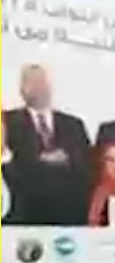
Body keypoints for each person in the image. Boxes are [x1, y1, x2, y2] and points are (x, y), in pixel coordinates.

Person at [2, 63, 90, 225]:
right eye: (30, 82)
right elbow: (9, 165)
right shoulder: (7, 122)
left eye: (41, 81)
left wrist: (65, 160)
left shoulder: (73, 125)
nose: (37, 87)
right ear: (21, 89)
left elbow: (86, 167)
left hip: (68, 216)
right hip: (23, 215)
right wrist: (41, 160)